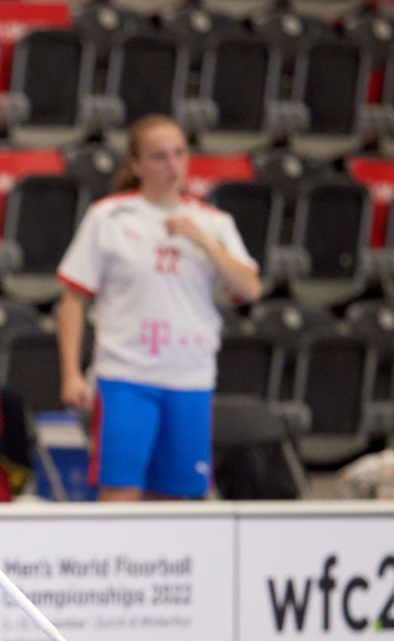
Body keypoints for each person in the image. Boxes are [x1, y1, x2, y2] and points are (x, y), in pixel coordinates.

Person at [56, 114, 263, 501]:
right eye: (159, 157)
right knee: (120, 495)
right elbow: (73, 298)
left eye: (179, 153)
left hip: (190, 379)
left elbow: (250, 288)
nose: (173, 165)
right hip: (125, 375)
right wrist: (71, 373)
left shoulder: (213, 223)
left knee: (174, 503)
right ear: (135, 164)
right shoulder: (109, 216)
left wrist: (205, 243)